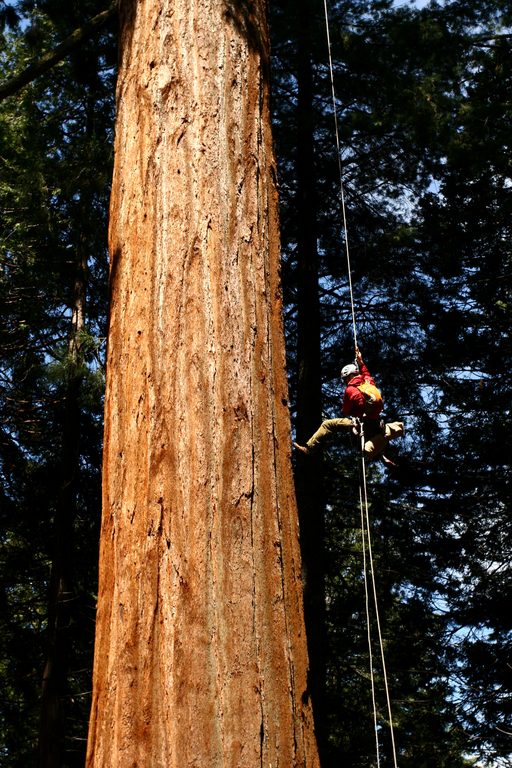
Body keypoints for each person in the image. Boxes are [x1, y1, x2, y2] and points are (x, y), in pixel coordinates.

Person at [293, 347, 404, 466]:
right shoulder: (368, 382)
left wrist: (354, 411)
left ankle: (309, 448)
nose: (345, 381)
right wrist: (360, 361)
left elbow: (346, 410)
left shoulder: (350, 390)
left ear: (349, 376)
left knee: (328, 425)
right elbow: (366, 373)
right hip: (376, 423)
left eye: (345, 379)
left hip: (361, 424)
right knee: (374, 437)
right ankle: (383, 457)